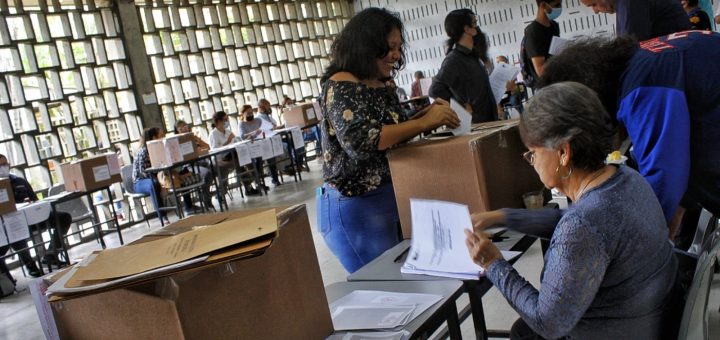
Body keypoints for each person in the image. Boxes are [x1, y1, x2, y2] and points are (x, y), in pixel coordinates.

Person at [465, 82, 683, 339]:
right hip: (653, 317)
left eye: (533, 152)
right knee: (521, 331)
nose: (531, 161)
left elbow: (547, 323)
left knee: (526, 331)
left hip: (622, 330)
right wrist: (502, 217)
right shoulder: (624, 177)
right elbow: (573, 221)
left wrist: (493, 263)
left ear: (563, 152)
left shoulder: (583, 224)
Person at [318, 7, 460, 273]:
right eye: (390, 47)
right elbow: (362, 142)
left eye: (398, 48)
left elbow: (394, 128)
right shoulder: (341, 85)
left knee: (412, 282)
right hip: (356, 205)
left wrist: (426, 115)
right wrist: (422, 123)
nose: (396, 55)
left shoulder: (382, 83)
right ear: (368, 43)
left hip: (390, 196)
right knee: (386, 286)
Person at [539, 31, 720, 240]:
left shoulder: (643, 83)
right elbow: (682, 148)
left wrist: (630, 246)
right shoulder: (642, 60)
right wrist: (679, 205)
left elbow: (663, 171)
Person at [0, 155, 72, 278]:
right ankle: (31, 265)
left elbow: (35, 200)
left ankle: (50, 256)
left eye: (5, 164)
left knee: (64, 217)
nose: (4, 168)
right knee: (16, 231)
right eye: (0, 165)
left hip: (32, 219)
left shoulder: (19, 181)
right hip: (12, 224)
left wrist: (30, 202)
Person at [429, 9, 496, 123]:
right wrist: (460, 108)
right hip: (476, 124)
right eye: (474, 22)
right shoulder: (453, 60)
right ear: (466, 28)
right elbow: (435, 90)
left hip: (488, 120)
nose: (477, 26)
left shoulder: (472, 55)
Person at [580, 0, 690, 40]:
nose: (595, 11)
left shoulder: (630, 3)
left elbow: (631, 48)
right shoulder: (623, 6)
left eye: (594, 5)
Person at [174, 120, 215, 209]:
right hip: (190, 165)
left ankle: (208, 194)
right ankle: (206, 197)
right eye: (180, 128)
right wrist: (197, 152)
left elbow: (208, 147)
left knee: (216, 168)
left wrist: (199, 142)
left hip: (203, 161)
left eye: (185, 126)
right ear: (177, 130)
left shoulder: (194, 137)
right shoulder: (178, 141)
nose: (184, 129)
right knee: (206, 173)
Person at [237, 104, 276, 193]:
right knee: (255, 162)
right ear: (243, 114)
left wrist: (271, 127)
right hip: (249, 148)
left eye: (251, 112)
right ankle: (258, 182)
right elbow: (242, 136)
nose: (250, 114)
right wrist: (254, 132)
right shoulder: (242, 124)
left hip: (260, 144)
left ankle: (267, 179)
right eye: (248, 113)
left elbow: (267, 127)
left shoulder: (258, 120)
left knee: (268, 157)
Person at [132, 127, 167, 222]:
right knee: (154, 184)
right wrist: (158, 179)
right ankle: (162, 216)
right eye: (160, 136)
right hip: (139, 182)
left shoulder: (159, 149)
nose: (162, 138)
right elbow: (142, 172)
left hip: (154, 177)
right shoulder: (143, 151)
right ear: (153, 138)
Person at [523, 0, 562, 83]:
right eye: (557, 5)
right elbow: (541, 71)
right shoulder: (533, 32)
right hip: (546, 86)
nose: (560, 8)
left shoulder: (554, 25)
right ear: (543, 5)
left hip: (556, 79)